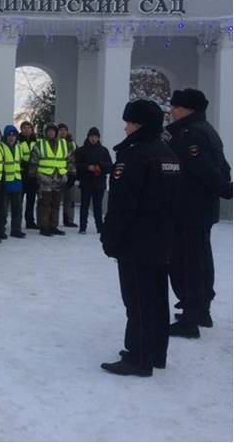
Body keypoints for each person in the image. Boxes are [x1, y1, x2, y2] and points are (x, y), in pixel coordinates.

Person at [100, 99, 181, 376]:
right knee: (157, 297)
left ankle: (138, 357)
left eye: (129, 122)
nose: (125, 127)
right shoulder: (168, 153)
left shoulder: (135, 155)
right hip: (162, 238)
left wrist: (110, 238)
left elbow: (123, 204)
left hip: (137, 240)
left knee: (137, 300)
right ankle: (156, 352)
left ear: (139, 124)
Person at [165, 88, 232, 337]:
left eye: (176, 106)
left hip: (188, 208)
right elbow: (223, 166)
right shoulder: (208, 130)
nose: (172, 110)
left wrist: (225, 190)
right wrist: (223, 187)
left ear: (188, 109)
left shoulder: (189, 134)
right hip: (200, 208)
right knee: (201, 259)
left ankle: (191, 318)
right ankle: (201, 310)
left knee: (186, 262)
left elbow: (204, 169)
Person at [29, 123, 67, 237]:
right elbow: (33, 161)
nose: (51, 133)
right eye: (49, 131)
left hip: (59, 177)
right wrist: (32, 175)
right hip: (44, 177)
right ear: (45, 132)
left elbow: (68, 159)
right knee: (44, 203)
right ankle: (43, 227)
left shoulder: (63, 143)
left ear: (56, 132)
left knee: (56, 203)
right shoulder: (39, 144)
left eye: (53, 131)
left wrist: (69, 174)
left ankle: (53, 226)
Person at [74, 127, 112, 234]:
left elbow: (110, 166)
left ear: (98, 138)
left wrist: (100, 166)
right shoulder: (81, 150)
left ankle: (100, 227)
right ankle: (82, 227)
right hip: (86, 182)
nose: (93, 139)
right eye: (92, 137)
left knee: (98, 207)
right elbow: (76, 165)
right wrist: (87, 167)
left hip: (99, 183)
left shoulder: (104, 150)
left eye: (95, 137)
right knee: (84, 206)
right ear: (88, 137)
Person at [1, 125, 26, 239]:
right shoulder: (1, 147)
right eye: (9, 135)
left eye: (14, 135)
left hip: (17, 181)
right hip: (5, 182)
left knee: (18, 208)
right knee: (3, 209)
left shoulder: (19, 147)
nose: (11, 137)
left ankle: (16, 229)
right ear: (5, 136)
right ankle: (1, 229)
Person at [18, 121, 39, 229]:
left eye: (28, 128)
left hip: (33, 174)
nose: (26, 130)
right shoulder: (17, 141)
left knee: (31, 200)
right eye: (24, 128)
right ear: (21, 129)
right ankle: (17, 222)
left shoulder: (36, 141)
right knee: (19, 200)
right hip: (22, 173)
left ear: (32, 129)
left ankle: (30, 221)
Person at [58, 123, 79, 227]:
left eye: (64, 129)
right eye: (60, 130)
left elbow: (78, 156)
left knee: (70, 199)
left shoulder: (73, 143)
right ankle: (53, 221)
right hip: (58, 174)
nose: (62, 132)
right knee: (55, 199)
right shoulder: (55, 143)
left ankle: (69, 220)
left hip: (71, 174)